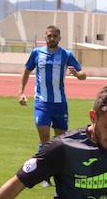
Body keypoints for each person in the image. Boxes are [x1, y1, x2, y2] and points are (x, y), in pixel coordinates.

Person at [19, 26, 87, 159]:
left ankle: (58, 173)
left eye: (55, 36)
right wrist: (20, 92)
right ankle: (45, 176)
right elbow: (26, 71)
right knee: (44, 140)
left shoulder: (66, 55)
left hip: (59, 103)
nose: (52, 38)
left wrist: (77, 74)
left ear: (59, 38)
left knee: (60, 141)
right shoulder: (37, 53)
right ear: (45, 37)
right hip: (42, 102)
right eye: (49, 36)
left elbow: (83, 74)